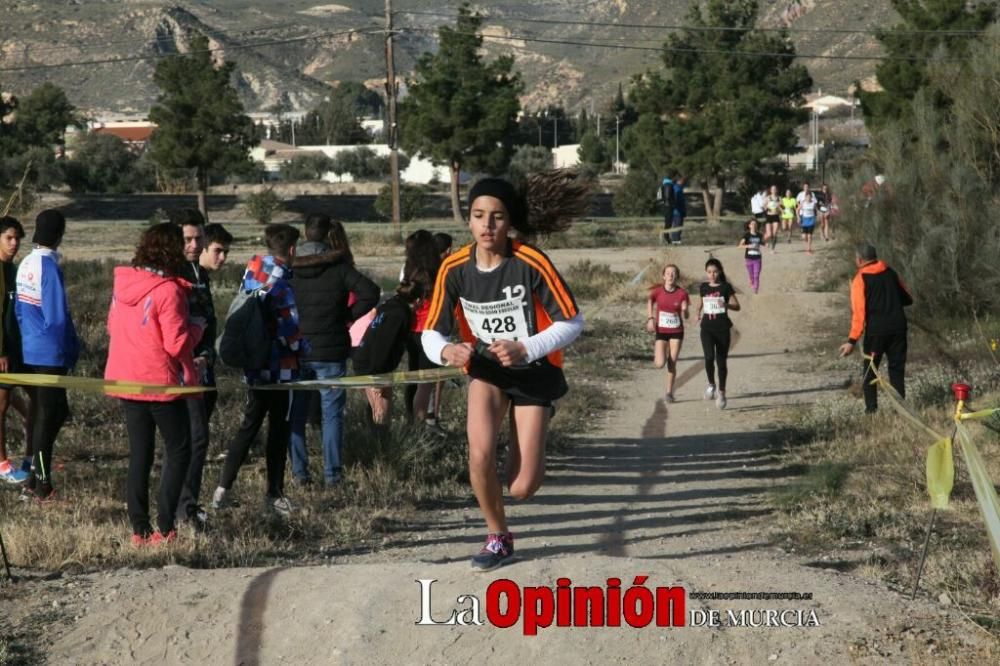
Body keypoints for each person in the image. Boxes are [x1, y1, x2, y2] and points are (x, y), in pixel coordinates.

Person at [422, 173, 587, 571]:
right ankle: (498, 537)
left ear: (509, 221)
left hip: (534, 372)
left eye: (496, 217)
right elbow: (431, 332)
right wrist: (448, 349)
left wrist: (524, 347)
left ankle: (532, 425)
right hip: (487, 370)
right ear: (469, 220)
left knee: (521, 487)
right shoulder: (454, 268)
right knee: (478, 455)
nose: (487, 225)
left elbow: (573, 322)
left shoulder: (530, 261)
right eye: (479, 216)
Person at [104, 223, 205, 546]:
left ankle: (139, 530)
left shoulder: (122, 286)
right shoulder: (168, 290)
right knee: (178, 450)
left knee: (140, 455)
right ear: (172, 250)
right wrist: (197, 329)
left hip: (127, 379)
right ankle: (165, 526)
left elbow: (110, 327)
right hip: (161, 382)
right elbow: (176, 344)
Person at [213, 224, 308, 517]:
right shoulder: (282, 281)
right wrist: (304, 350)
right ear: (292, 250)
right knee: (279, 429)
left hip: (254, 365)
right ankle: (274, 494)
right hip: (280, 368)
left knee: (249, 425)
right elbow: (288, 328)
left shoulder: (253, 271)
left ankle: (222, 490)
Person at [289, 215, 379, 486]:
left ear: (304, 233)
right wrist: (346, 316)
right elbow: (371, 292)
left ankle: (299, 474)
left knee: (295, 415)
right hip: (331, 349)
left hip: (295, 349)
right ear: (328, 234)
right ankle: (333, 475)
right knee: (332, 415)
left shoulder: (288, 267)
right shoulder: (338, 266)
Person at [173, 213, 232, 530]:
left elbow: (207, 321)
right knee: (193, 439)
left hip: (203, 367)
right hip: (182, 372)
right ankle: (184, 507)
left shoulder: (199, 273)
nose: (195, 245)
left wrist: (207, 354)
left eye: (199, 239)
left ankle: (184, 504)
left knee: (195, 439)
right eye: (188, 240)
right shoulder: (174, 274)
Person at [16, 209, 79, 502]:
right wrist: (69, 348)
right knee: (46, 415)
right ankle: (41, 480)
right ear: (59, 235)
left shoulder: (25, 262)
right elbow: (56, 318)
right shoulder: (49, 267)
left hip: (31, 348)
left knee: (53, 412)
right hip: (50, 353)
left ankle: (34, 476)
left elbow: (18, 310)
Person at [838, 243, 912, 414]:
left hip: (876, 332)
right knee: (897, 370)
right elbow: (907, 298)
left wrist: (851, 341)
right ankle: (901, 410)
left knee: (870, 372)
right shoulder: (890, 271)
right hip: (898, 328)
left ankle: (871, 410)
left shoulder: (860, 279)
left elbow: (859, 314)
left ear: (859, 260)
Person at [353, 280, 422, 424]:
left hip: (366, 358)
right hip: (373, 365)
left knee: (379, 409)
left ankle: (378, 439)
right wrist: (377, 380)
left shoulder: (389, 305)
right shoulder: (399, 314)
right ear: (417, 300)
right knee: (381, 412)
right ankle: (379, 443)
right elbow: (382, 346)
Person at [0, 217, 31, 484]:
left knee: (27, 405)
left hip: (17, 349)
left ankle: (32, 460)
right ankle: (2, 465)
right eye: (9, 237)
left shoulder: (14, 270)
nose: (14, 243)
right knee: (0, 405)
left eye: (18, 238)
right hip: (3, 353)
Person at [402, 230, 442, 425]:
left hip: (412, 330)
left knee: (414, 376)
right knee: (425, 383)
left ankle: (412, 420)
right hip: (432, 330)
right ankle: (419, 426)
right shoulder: (437, 271)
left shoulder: (409, 269)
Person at [697, 258, 740, 410]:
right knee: (708, 357)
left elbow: (737, 306)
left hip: (722, 329)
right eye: (709, 272)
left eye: (715, 272)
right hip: (707, 328)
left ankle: (721, 392)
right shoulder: (703, 287)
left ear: (720, 272)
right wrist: (697, 312)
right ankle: (711, 385)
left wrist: (726, 304)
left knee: (721, 362)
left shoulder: (726, 287)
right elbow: (702, 301)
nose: (712, 275)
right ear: (706, 273)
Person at [646, 264, 689, 403]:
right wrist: (650, 318)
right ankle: (661, 353)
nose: (671, 275)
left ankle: (669, 393)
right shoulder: (657, 291)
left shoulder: (682, 293)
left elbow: (686, 315)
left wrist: (684, 310)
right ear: (663, 276)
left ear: (677, 276)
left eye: (673, 273)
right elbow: (649, 301)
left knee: (672, 362)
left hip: (676, 331)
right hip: (661, 331)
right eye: (668, 273)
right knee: (659, 364)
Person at [426, 232, 454, 432]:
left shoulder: (416, 266)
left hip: (420, 327)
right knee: (437, 378)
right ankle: (432, 418)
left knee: (421, 378)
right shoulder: (445, 270)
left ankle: (425, 419)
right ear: (448, 251)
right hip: (439, 327)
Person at [739, 218, 764, 294]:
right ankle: (751, 279)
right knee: (751, 275)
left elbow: (763, 243)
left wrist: (767, 244)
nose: (754, 225)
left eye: (755, 224)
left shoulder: (759, 235)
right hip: (749, 259)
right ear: (749, 226)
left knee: (756, 275)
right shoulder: (746, 235)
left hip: (758, 258)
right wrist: (749, 246)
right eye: (752, 224)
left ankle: (755, 291)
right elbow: (739, 246)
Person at [797, 189, 818, 255]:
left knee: (809, 236)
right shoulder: (803, 203)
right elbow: (797, 210)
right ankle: (807, 246)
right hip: (804, 220)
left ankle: (808, 249)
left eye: (809, 197)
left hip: (811, 220)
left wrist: (816, 217)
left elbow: (816, 211)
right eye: (807, 196)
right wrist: (798, 218)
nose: (808, 198)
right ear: (805, 197)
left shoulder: (813, 204)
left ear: (811, 197)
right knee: (804, 236)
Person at [763, 185, 782, 253]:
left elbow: (782, 208)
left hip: (776, 216)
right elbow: (764, 207)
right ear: (770, 190)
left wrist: (779, 209)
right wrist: (767, 207)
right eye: (772, 189)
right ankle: (762, 241)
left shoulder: (779, 198)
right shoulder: (768, 198)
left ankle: (772, 249)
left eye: (775, 189)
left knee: (774, 233)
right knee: (769, 234)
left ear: (776, 190)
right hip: (769, 216)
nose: (773, 190)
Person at [668, 175, 686, 245]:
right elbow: (677, 200)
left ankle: (676, 240)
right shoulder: (677, 189)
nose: (684, 182)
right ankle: (676, 241)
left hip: (678, 211)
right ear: (680, 181)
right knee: (677, 226)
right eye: (683, 180)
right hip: (677, 211)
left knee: (677, 226)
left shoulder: (677, 188)